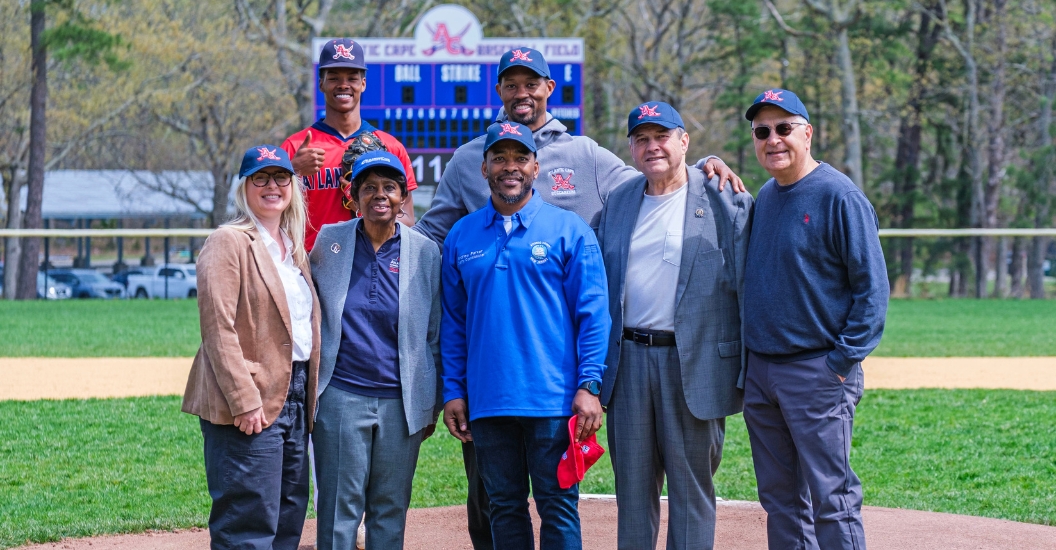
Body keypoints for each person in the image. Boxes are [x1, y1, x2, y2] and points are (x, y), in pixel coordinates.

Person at [413, 46, 744, 549]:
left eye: (531, 83)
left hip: (555, 380)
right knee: (496, 502)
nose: (521, 93)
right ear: (485, 166)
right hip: (489, 386)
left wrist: (703, 166)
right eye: (511, 84)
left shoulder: (585, 160)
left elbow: (660, 179)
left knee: (559, 502)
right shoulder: (465, 181)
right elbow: (433, 253)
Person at [440, 121, 611, 550]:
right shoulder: (461, 235)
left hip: (553, 400)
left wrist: (590, 385)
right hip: (488, 400)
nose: (509, 167)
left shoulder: (570, 229)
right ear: (484, 168)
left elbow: (594, 315)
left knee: (558, 506)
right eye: (499, 158)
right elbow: (453, 323)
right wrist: (453, 391)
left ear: (536, 167)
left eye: (520, 158)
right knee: (504, 506)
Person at [597, 102, 752, 550]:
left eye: (662, 136)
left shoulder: (725, 198)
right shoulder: (619, 201)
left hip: (694, 363)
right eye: (641, 139)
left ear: (684, 141)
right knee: (632, 493)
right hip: (628, 364)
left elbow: (750, 287)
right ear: (631, 148)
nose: (652, 147)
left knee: (691, 492)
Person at [741, 88, 889, 550]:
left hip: (817, 371)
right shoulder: (767, 195)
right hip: (762, 371)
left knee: (832, 499)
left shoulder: (838, 195)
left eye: (784, 128)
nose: (773, 139)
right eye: (762, 131)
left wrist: (840, 363)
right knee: (780, 500)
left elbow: (872, 291)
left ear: (808, 133)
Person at [182, 145, 320, 550]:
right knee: (248, 522)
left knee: (288, 515)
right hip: (249, 396)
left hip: (295, 395)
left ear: (293, 186)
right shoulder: (228, 241)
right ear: (244, 187)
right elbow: (217, 327)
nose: (272, 186)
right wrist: (243, 399)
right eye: (260, 177)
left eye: (281, 177)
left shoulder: (293, 248)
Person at [308, 151, 442, 550]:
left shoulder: (425, 252)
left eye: (389, 187)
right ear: (353, 197)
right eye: (368, 188)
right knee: (338, 511)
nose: (379, 195)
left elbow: (433, 334)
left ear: (403, 197)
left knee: (390, 509)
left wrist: (430, 403)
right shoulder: (330, 240)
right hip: (341, 396)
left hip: (400, 403)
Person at [281, 38, 418, 251]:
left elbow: (408, 220)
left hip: (372, 262)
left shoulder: (390, 147)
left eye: (352, 78)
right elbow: (274, 216)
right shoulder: (295, 147)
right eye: (334, 78)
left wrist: (369, 207)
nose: (343, 85)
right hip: (311, 262)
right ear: (321, 83)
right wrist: (292, 171)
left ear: (363, 84)